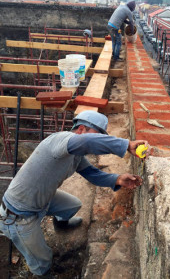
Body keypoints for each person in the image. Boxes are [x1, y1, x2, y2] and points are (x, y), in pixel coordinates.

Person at [0, 110, 150, 277]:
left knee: (73, 205)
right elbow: (87, 142)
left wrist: (118, 179)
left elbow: (92, 174)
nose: (98, 142)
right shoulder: (60, 140)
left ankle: (61, 224)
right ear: (81, 129)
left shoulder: (76, 155)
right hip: (18, 215)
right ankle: (42, 273)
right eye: (97, 135)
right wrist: (126, 145)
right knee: (42, 260)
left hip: (41, 200)